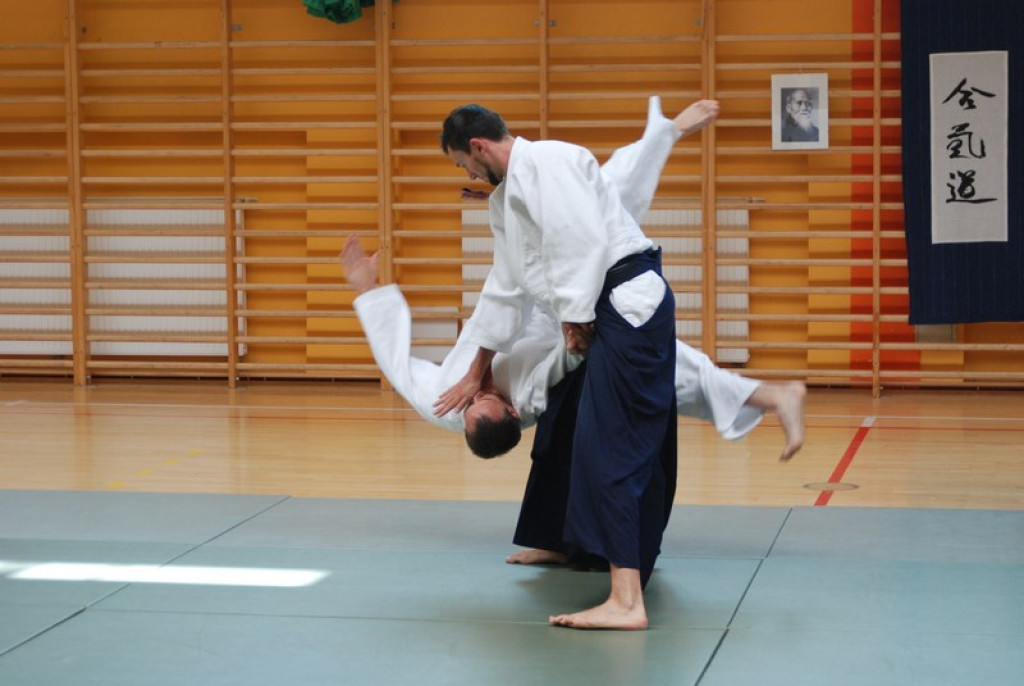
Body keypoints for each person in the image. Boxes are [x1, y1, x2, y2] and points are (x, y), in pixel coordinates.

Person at [435, 96, 717, 630]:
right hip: (601, 310)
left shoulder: (551, 160)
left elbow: (579, 238)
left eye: (462, 163)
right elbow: (504, 287)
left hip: (624, 303)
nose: (467, 175)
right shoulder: (505, 200)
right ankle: (594, 563)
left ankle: (627, 602)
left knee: (612, 446)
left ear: (477, 146)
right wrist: (477, 367)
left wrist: (573, 315)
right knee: (579, 441)